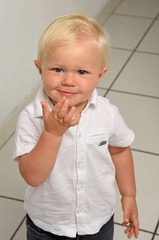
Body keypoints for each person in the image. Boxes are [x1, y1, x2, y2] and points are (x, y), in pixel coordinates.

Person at [13, 13, 139, 240]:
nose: (69, 81)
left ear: (100, 75)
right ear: (39, 68)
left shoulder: (107, 113)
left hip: (98, 221)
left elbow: (120, 149)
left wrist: (129, 195)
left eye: (82, 72)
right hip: (48, 226)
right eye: (58, 69)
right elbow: (32, 176)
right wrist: (52, 133)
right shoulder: (31, 117)